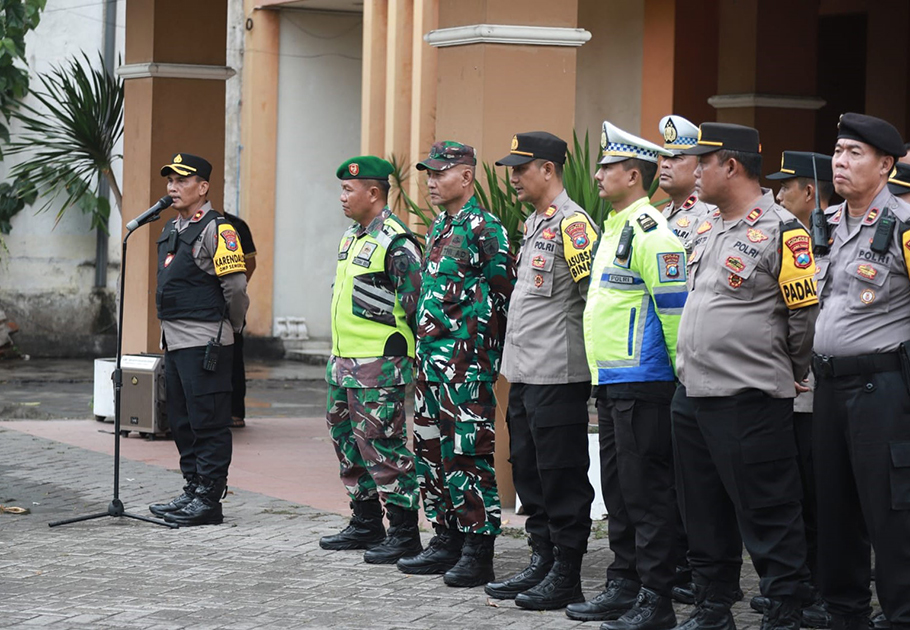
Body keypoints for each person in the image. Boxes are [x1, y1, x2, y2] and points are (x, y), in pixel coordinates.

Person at [672, 123, 818, 630]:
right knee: (703, 511)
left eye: (701, 162)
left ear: (729, 166)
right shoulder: (709, 226)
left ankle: (786, 611)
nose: (693, 171)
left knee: (769, 511)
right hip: (693, 394)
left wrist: (792, 370)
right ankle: (713, 608)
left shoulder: (783, 230)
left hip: (749, 397)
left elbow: (802, 318)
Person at [569, 121, 685, 630]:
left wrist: (684, 376)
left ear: (634, 175)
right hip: (612, 380)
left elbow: (675, 312)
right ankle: (625, 582)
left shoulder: (651, 232)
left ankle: (656, 598)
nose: (596, 174)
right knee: (618, 489)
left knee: (647, 493)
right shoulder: (615, 224)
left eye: (607, 166)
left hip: (646, 380)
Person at [484, 131, 597, 610]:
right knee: (529, 471)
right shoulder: (534, 223)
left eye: (520, 169)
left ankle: (567, 573)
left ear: (547, 170)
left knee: (561, 475)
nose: (512, 178)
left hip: (559, 372)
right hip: (525, 373)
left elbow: (594, 298)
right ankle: (542, 560)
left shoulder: (574, 226)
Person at [396, 141, 515, 588]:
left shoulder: (486, 228)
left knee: (468, 454)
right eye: (427, 174)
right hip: (432, 364)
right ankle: (445, 538)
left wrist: (484, 354)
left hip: (467, 366)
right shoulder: (441, 227)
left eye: (439, 173)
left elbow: (504, 293)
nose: (430, 181)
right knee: (430, 452)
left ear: (465, 177)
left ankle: (477, 548)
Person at [812, 113, 910, 630]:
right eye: (838, 151)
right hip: (829, 385)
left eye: (854, 153)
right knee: (836, 508)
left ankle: (900, 614)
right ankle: (844, 612)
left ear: (886, 165)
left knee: (889, 509)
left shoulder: (905, 226)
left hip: (882, 388)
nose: (841, 162)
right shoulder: (825, 222)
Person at [318, 156, 425, 564]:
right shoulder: (352, 237)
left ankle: (403, 532)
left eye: (349, 190)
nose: (343, 197)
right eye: (342, 189)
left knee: (383, 445)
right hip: (344, 363)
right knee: (347, 442)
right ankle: (365, 522)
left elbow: (417, 307)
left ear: (374, 193)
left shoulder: (396, 241)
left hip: (380, 365)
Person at [148, 152, 249, 527]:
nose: (173, 187)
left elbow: (236, 287)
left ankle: (209, 499)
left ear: (203, 187)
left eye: (182, 180)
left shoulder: (218, 230)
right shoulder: (173, 227)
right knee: (182, 420)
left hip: (205, 341)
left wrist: (230, 329)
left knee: (208, 421)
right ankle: (192, 488)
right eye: (169, 180)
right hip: (174, 342)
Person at [656, 113, 711, 607]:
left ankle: (701, 567)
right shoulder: (659, 219)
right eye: (663, 154)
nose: (665, 163)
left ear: (702, 167)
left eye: (677, 156)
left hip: (696, 362)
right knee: (668, 473)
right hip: (662, 366)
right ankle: (675, 559)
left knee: (696, 477)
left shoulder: (707, 220)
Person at [221, 211, 256, 428]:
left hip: (230, 301)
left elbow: (249, 264)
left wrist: (235, 292)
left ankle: (235, 411)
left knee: (234, 358)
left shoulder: (235, 226)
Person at [658, 115, 713, 255]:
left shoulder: (709, 214)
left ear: (698, 165)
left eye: (676, 158)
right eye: (664, 157)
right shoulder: (667, 211)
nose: (665, 164)